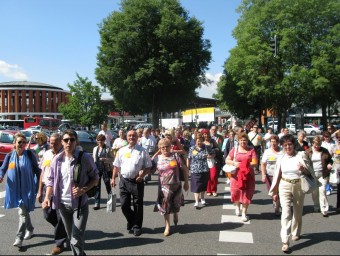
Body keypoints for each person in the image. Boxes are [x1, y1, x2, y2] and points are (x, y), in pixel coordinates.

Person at [42, 129, 99, 256]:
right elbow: (50, 180)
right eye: (66, 140)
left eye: (72, 140)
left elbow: (95, 177)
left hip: (79, 206)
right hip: (62, 205)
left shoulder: (84, 158)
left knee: (75, 240)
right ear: (62, 142)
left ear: (76, 141)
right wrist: (46, 197)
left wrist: (83, 189)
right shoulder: (57, 160)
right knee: (71, 238)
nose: (69, 143)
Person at [269, 134, 315, 253]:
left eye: (289, 144)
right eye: (285, 145)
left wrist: (303, 169)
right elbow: (277, 176)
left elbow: (310, 172)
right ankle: (285, 241)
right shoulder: (281, 158)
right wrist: (275, 192)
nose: (288, 147)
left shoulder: (301, 156)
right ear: (282, 146)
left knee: (298, 211)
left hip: (298, 185)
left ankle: (296, 232)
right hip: (284, 185)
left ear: (293, 145)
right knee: (286, 212)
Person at [0, 132, 41, 248]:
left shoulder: (29, 154)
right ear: (14, 143)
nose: (22, 144)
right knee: (23, 212)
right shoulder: (9, 156)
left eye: (24, 142)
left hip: (27, 189)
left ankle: (19, 237)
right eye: (19, 142)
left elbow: (37, 171)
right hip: (14, 189)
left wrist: (41, 186)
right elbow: (2, 169)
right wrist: (1, 176)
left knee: (23, 212)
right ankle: (30, 229)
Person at [111, 130, 152, 237]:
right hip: (124, 181)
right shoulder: (121, 151)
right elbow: (116, 166)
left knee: (138, 204)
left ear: (137, 137)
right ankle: (132, 220)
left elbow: (148, 167)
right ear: (126, 137)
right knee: (124, 205)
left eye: (134, 136)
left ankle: (137, 226)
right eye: (129, 136)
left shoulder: (142, 151)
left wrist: (142, 176)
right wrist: (113, 178)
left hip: (137, 181)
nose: (131, 137)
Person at [37, 133, 67, 255]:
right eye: (51, 142)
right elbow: (42, 173)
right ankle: (65, 230)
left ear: (60, 142)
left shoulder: (65, 155)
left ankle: (59, 244)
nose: (52, 145)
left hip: (60, 190)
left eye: (55, 143)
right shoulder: (47, 154)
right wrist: (39, 191)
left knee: (60, 217)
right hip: (47, 190)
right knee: (47, 214)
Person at [153, 138, 189, 236]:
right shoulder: (157, 158)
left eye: (167, 146)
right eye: (162, 147)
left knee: (176, 204)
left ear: (170, 147)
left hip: (176, 184)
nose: (165, 148)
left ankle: (175, 213)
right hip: (164, 186)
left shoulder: (175, 156)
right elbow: (149, 168)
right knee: (165, 205)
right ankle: (167, 226)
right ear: (159, 148)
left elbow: (184, 169)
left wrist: (186, 182)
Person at [225, 132, 257, 222]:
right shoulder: (234, 150)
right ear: (238, 141)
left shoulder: (251, 150)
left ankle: (244, 213)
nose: (243, 142)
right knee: (236, 193)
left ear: (247, 141)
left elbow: (254, 163)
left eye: (245, 140)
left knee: (247, 194)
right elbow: (227, 159)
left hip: (248, 176)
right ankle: (237, 206)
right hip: (236, 176)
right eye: (241, 140)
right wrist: (234, 163)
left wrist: (245, 164)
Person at [305, 136, 333, 217]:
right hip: (312, 175)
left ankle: (324, 209)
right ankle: (316, 206)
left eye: (319, 145)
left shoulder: (324, 151)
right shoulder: (308, 151)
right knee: (315, 192)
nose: (317, 146)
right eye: (315, 145)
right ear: (312, 143)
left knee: (322, 191)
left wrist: (329, 164)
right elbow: (305, 161)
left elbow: (330, 160)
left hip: (322, 174)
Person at [187, 133, 214, 208]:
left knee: (203, 185)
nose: (199, 142)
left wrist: (209, 156)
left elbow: (213, 154)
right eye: (198, 141)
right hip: (195, 169)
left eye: (200, 141)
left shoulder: (207, 147)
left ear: (202, 140)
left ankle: (202, 198)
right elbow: (189, 158)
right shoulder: (192, 148)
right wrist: (187, 168)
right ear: (195, 141)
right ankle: (196, 201)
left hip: (204, 168)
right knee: (196, 186)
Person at [261, 135, 282, 216]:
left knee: (280, 192)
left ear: (278, 143)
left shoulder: (282, 151)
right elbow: (263, 164)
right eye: (272, 142)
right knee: (273, 193)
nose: (273, 143)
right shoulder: (267, 152)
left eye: (275, 142)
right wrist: (263, 175)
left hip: (280, 175)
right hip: (270, 175)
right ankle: (276, 204)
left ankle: (278, 206)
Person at [92, 134, 115, 210]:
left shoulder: (108, 148)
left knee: (108, 185)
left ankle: (111, 202)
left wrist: (106, 159)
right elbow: (94, 159)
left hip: (106, 169)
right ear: (96, 141)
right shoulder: (95, 149)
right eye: (99, 140)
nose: (100, 142)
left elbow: (112, 159)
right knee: (97, 186)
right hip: (97, 168)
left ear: (104, 141)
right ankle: (97, 202)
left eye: (102, 140)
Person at [201, 129, 219, 197]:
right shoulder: (201, 142)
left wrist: (214, 152)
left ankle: (214, 190)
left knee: (213, 176)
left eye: (207, 134)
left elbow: (218, 148)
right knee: (207, 177)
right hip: (204, 161)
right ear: (202, 135)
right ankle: (208, 190)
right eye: (204, 134)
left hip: (212, 160)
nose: (206, 135)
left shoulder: (212, 141)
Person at [321, 131, 336, 195]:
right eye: (326, 137)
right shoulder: (322, 144)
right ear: (324, 137)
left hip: (332, 160)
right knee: (326, 175)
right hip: (325, 161)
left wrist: (334, 152)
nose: (327, 138)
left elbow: (338, 151)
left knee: (331, 175)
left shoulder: (333, 143)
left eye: (328, 137)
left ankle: (329, 187)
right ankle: (327, 188)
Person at [333, 132, 340, 212]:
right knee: (339, 188)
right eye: (338, 139)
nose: (339, 140)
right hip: (338, 168)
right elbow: (334, 155)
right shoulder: (335, 146)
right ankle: (338, 205)